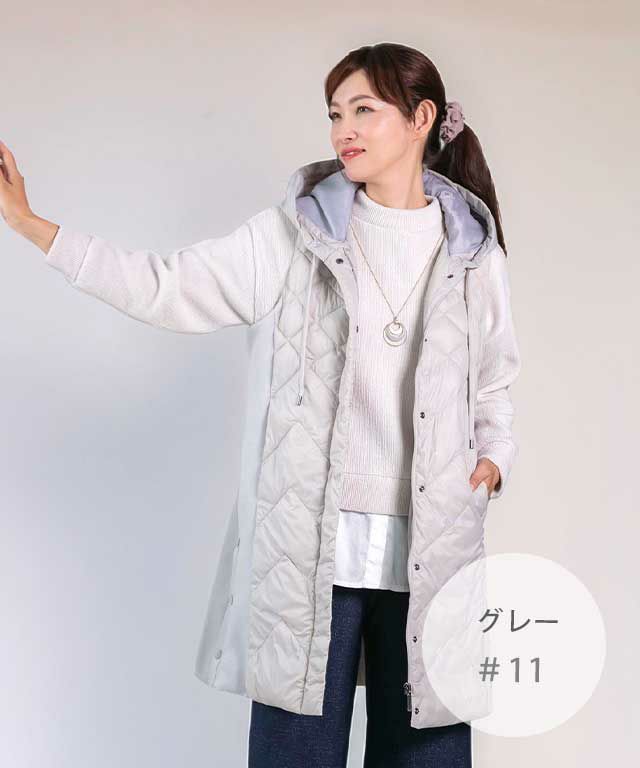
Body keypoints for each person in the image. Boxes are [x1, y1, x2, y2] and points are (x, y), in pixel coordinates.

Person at [1, 42, 521, 768]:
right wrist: (32, 226)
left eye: (363, 110)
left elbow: (494, 381)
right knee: (293, 756)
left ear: (421, 118)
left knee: (428, 756)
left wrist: (492, 463)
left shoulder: (471, 250)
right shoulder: (292, 234)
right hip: (309, 551)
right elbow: (166, 286)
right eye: (335, 113)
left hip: (433, 549)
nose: (343, 129)